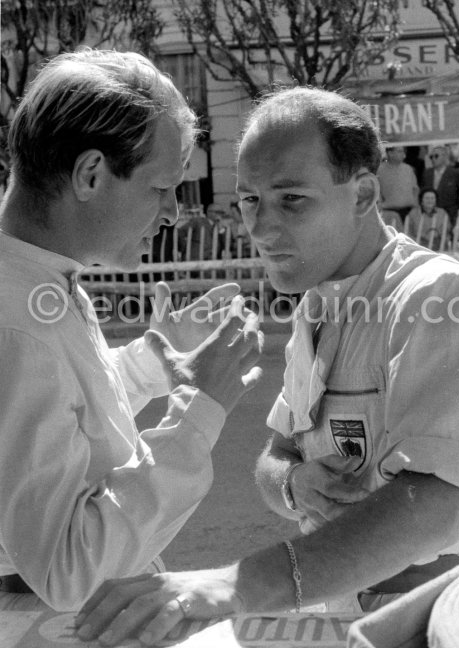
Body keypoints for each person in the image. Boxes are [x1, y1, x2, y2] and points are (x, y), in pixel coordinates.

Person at [75, 86, 459, 647]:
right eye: (250, 201)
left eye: (292, 199)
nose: (260, 228)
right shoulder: (319, 306)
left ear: (362, 194)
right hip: (339, 616)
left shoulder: (438, 296)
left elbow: (435, 506)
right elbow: (275, 455)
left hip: (438, 619)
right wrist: (294, 484)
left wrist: (238, 583)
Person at [0, 49, 262, 611]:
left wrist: (152, 361)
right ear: (91, 174)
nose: (172, 213)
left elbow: (64, 407)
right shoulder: (18, 321)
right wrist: (199, 409)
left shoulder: (35, 280)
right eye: (160, 188)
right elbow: (68, 569)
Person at [421, 145, 459, 224]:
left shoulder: (456, 173)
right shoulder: (427, 174)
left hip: (451, 214)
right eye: (431, 157)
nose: (433, 159)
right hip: (430, 213)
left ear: (444, 157)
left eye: (436, 156)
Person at [376, 145, 418, 223]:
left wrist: (415, 206)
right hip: (389, 211)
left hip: (409, 211)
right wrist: (380, 205)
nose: (403, 154)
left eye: (403, 151)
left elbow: (415, 189)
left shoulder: (408, 169)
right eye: (400, 151)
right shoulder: (379, 170)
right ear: (390, 153)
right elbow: (376, 190)